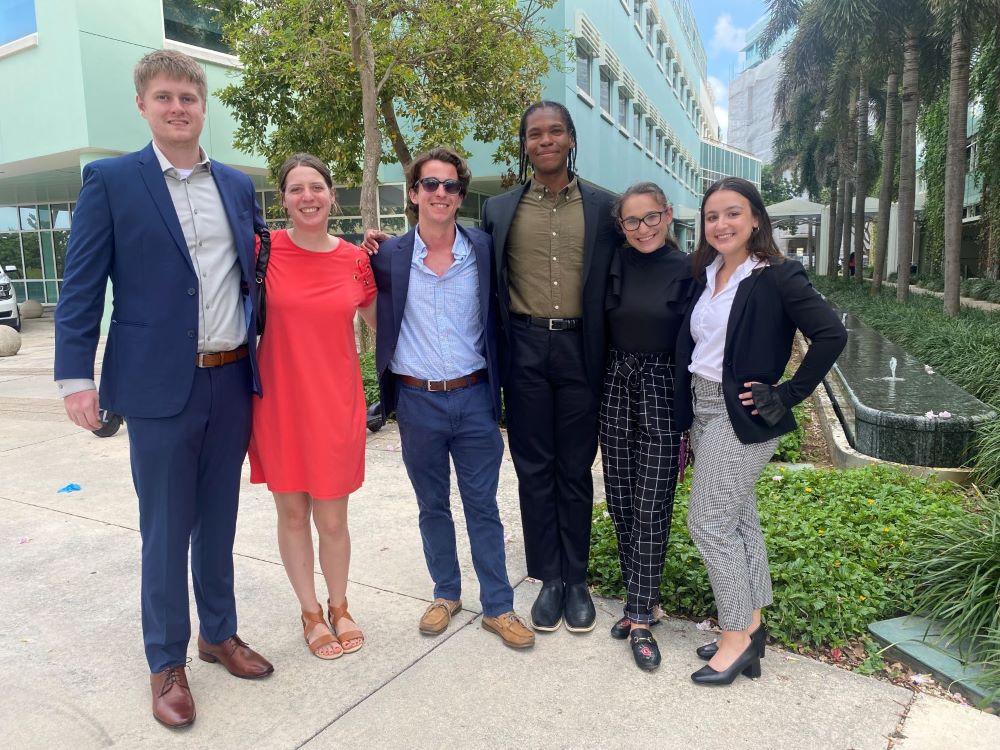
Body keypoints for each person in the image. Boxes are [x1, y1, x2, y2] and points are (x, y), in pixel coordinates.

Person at [54, 49, 273, 729]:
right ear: (143, 105)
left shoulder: (236, 186)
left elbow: (261, 269)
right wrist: (74, 377)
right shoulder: (113, 181)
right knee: (165, 529)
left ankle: (218, 633)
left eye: (189, 97)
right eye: (165, 97)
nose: (178, 108)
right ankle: (165, 661)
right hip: (155, 389)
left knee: (220, 522)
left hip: (232, 378)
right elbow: (82, 286)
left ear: (203, 107)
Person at [675, 177, 847, 686]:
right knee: (739, 520)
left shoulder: (777, 275)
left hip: (742, 415)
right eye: (712, 216)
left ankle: (735, 639)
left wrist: (789, 392)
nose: (721, 224)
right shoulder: (706, 273)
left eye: (733, 213)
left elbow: (831, 333)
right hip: (701, 408)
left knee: (707, 525)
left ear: (755, 219)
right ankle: (752, 624)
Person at [369, 148, 534, 649]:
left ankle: (499, 607)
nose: (440, 193)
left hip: (474, 397)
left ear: (460, 196)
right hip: (418, 402)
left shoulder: (482, 248)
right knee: (432, 505)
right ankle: (446, 593)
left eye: (450, 186)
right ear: (414, 193)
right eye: (430, 184)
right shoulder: (388, 255)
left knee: (483, 505)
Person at [480, 102, 619, 633]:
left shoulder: (605, 208)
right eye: (534, 134)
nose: (545, 140)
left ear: (570, 138)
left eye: (554, 131)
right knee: (533, 466)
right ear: (525, 143)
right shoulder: (500, 210)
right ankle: (549, 577)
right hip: (525, 347)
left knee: (576, 466)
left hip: (582, 349)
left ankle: (577, 577)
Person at [247, 154, 376, 660]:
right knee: (293, 514)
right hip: (277, 403)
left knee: (334, 519)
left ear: (331, 195)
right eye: (296, 189)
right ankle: (309, 612)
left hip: (335, 403)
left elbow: (382, 325)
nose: (308, 197)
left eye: (316, 187)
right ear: (282, 199)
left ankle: (340, 605)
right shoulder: (263, 250)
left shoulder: (355, 260)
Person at [600, 182, 692, 670]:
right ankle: (647, 599)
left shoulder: (689, 268)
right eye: (633, 220)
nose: (643, 228)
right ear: (622, 225)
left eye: (652, 217)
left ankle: (637, 616)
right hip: (616, 383)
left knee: (652, 502)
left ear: (668, 214)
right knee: (620, 500)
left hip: (661, 385)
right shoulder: (612, 261)